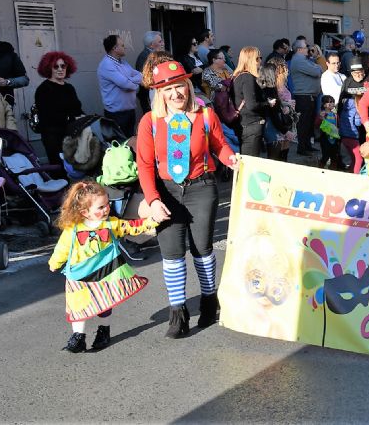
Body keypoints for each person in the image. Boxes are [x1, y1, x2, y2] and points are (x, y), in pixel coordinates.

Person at [135, 61, 238, 338]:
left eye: (179, 85)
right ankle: (177, 313)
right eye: (168, 88)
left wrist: (233, 160)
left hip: (202, 186)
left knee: (202, 249)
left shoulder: (205, 115)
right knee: (171, 254)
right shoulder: (149, 122)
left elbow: (220, 146)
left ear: (188, 86)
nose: (175, 93)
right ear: (160, 92)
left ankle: (208, 300)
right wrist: (153, 200)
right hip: (167, 190)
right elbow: (144, 165)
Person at [48, 180, 159, 353]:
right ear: (84, 212)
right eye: (100, 207)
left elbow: (132, 227)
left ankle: (103, 331)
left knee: (105, 303)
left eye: (107, 204)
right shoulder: (72, 230)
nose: (106, 209)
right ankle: (78, 337)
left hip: (106, 273)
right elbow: (62, 249)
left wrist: (152, 221)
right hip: (80, 277)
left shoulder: (111, 224)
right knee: (79, 307)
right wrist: (54, 263)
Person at [33, 51, 84, 166]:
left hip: (71, 135)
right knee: (59, 169)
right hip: (53, 137)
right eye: (55, 66)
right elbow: (47, 116)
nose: (60, 69)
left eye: (63, 66)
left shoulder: (69, 87)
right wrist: (70, 118)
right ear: (48, 68)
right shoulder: (44, 89)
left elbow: (77, 109)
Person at [97, 34, 143, 136]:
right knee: (121, 145)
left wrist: (130, 80)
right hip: (117, 115)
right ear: (115, 48)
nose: (124, 47)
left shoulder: (123, 62)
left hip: (129, 111)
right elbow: (125, 84)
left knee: (130, 142)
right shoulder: (107, 65)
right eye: (122, 45)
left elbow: (139, 75)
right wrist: (136, 84)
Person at [232, 47, 271, 158]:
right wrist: (267, 103)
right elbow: (252, 105)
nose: (260, 61)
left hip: (243, 123)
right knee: (250, 162)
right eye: (258, 58)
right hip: (251, 125)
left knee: (245, 160)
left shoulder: (237, 76)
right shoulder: (247, 77)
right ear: (250, 60)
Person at [289, 39, 322, 156]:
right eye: (306, 47)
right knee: (303, 124)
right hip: (304, 97)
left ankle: (307, 146)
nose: (308, 49)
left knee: (308, 124)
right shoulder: (299, 60)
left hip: (308, 96)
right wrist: (317, 68)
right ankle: (302, 148)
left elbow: (317, 68)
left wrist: (317, 67)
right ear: (299, 49)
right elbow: (317, 71)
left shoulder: (304, 59)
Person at [339, 63, 369, 173]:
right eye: (355, 73)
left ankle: (351, 172)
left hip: (345, 133)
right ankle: (355, 175)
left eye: (359, 72)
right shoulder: (348, 82)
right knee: (358, 158)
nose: (358, 75)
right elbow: (358, 121)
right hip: (353, 134)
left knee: (353, 158)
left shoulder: (346, 104)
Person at [135, 31, 165, 113]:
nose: (163, 43)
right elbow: (146, 79)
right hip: (150, 96)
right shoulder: (144, 57)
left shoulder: (156, 54)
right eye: (160, 42)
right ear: (151, 45)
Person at [315, 95, 343, 170]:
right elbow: (317, 125)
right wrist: (321, 118)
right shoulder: (323, 114)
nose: (332, 104)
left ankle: (332, 170)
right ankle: (320, 167)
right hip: (325, 138)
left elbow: (338, 124)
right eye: (329, 102)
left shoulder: (335, 114)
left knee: (334, 156)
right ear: (324, 104)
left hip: (334, 138)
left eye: (333, 102)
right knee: (325, 156)